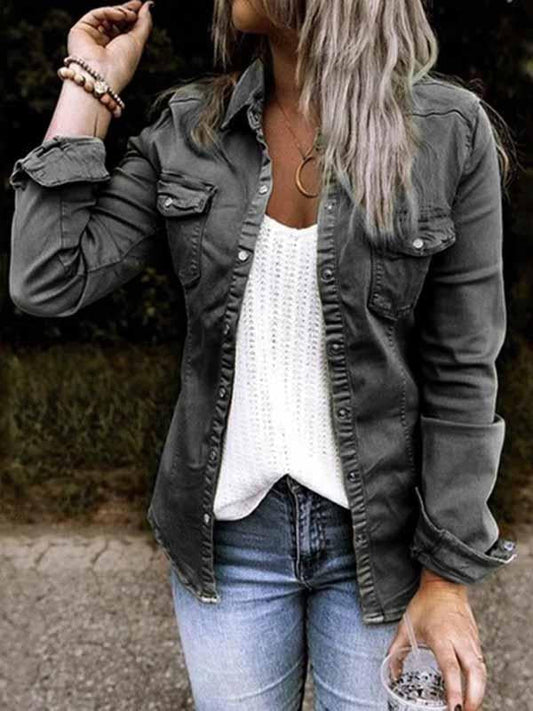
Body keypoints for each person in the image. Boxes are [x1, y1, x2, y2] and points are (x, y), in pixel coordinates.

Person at [8, 1, 519, 709]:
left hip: (384, 543)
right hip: (230, 541)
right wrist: (87, 84)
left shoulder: (446, 132)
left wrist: (446, 578)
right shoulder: (191, 129)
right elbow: (47, 278)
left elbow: (462, 369)